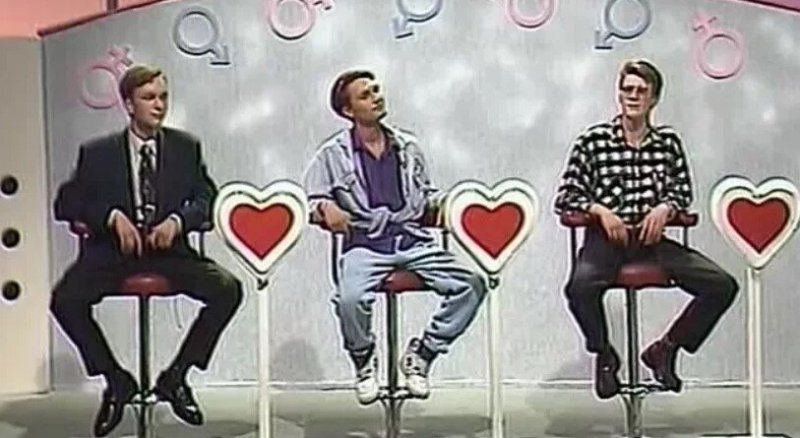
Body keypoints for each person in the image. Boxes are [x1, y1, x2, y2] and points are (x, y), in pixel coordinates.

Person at [51, 64, 243, 436]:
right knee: (65, 300)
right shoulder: (99, 153)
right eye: (149, 98)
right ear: (128, 104)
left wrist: (178, 221)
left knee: (228, 289)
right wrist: (110, 217)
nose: (159, 105)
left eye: (163, 97)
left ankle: (176, 377)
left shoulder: (185, 147)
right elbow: (67, 201)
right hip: (113, 254)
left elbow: (208, 197)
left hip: (169, 252)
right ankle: (116, 381)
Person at [554, 59, 739, 400]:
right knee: (579, 288)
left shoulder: (667, 142)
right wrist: (600, 211)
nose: (633, 96)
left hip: (650, 240)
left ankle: (665, 348)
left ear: (654, 99)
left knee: (722, 285)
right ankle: (604, 354)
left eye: (641, 91)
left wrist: (665, 208)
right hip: (607, 240)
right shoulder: (593, 141)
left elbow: (682, 191)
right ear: (618, 94)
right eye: (627, 89)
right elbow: (566, 196)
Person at [303, 69, 487, 405]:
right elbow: (311, 201)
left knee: (472, 285)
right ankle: (363, 359)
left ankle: (423, 354)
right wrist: (324, 207)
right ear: (348, 110)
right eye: (365, 95)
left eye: (376, 90)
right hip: (366, 244)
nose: (376, 97)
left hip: (412, 241)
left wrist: (451, 204)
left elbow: (427, 196)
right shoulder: (332, 154)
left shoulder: (408, 146)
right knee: (349, 300)